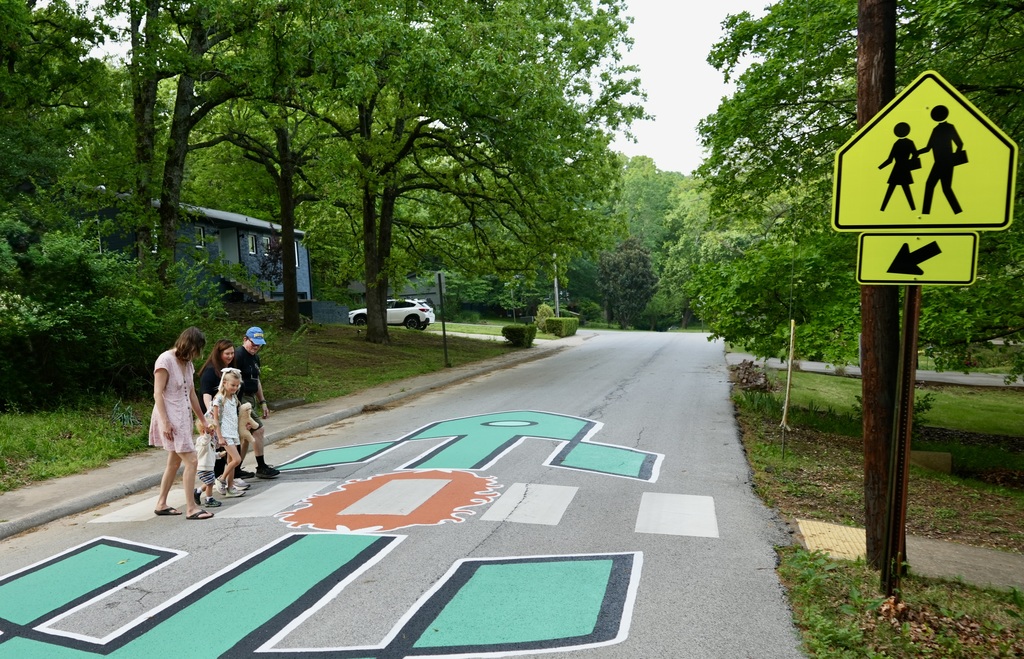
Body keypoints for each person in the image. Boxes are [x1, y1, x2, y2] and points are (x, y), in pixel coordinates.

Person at [149, 327, 214, 520]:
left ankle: (161, 503)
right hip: (169, 417)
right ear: (189, 345)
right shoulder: (165, 360)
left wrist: (203, 420)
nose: (197, 354)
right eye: (196, 349)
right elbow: (157, 393)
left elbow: (192, 393)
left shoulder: (188, 363)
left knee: (175, 461)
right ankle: (191, 508)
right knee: (192, 460)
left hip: (182, 417)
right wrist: (165, 422)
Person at [199, 339, 254, 482]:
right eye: (227, 353)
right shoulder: (211, 371)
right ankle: (219, 480)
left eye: (232, 353)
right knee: (220, 452)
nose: (230, 356)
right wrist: (210, 415)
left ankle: (230, 482)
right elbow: (206, 395)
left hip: (229, 420)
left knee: (228, 455)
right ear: (219, 353)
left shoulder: (229, 370)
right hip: (216, 418)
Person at [233, 327, 280, 478]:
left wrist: (263, 402)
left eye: (259, 344)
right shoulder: (238, 356)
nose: (256, 347)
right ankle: (261, 466)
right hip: (241, 399)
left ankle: (236, 468)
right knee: (258, 430)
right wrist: (236, 403)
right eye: (253, 343)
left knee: (246, 435)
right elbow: (230, 380)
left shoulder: (255, 357)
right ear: (245, 339)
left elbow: (256, 380)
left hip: (251, 397)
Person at [918, 104, 964, 215]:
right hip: (940, 163)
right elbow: (929, 148)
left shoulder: (948, 128)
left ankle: (926, 212)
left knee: (937, 186)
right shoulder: (936, 129)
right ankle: (956, 211)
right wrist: (916, 152)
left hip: (944, 162)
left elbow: (959, 144)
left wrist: (955, 157)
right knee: (942, 187)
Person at [209, 368, 248, 497]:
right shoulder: (219, 399)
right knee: (237, 459)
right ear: (224, 382)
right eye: (232, 385)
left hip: (233, 432)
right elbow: (215, 419)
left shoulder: (234, 398)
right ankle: (221, 479)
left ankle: (230, 487)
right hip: (224, 434)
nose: (235, 388)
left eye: (237, 386)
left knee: (230, 461)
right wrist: (219, 436)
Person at [878, 121, 919, 212]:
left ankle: (882, 209)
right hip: (904, 169)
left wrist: (880, 167)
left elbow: (890, 160)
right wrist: (909, 163)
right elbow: (915, 154)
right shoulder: (909, 142)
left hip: (897, 169)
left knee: (891, 190)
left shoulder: (896, 144)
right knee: (906, 190)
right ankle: (913, 209)